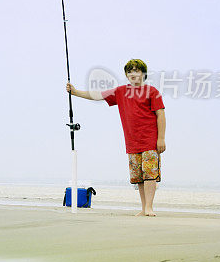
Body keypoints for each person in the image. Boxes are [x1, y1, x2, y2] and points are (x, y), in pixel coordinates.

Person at [66, 59, 166, 216]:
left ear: (143, 74)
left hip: (150, 141)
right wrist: (75, 92)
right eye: (130, 71)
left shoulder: (152, 91)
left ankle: (149, 207)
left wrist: (161, 139)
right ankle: (143, 207)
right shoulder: (121, 91)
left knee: (150, 175)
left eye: (137, 71)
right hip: (132, 142)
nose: (133, 74)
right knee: (139, 178)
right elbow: (97, 95)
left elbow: (160, 114)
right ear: (126, 75)